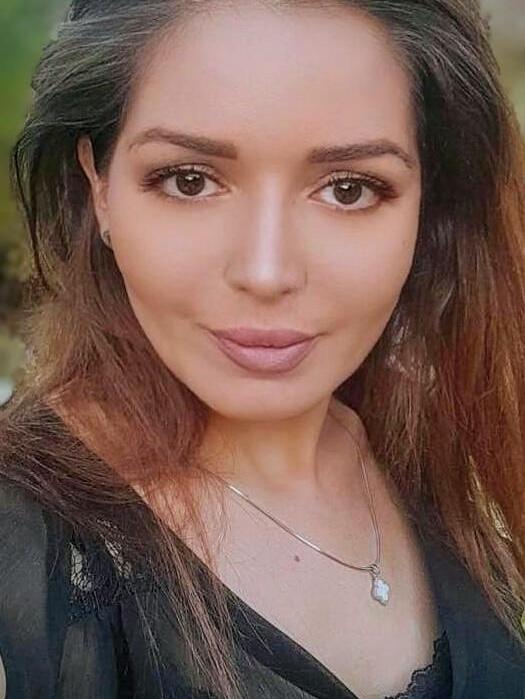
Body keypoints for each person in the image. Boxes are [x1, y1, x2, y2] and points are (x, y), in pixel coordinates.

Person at [1, 0, 524, 697]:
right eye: (189, 180)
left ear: (429, 204)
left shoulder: (446, 457)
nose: (267, 271)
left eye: (348, 190)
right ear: (99, 188)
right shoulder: (21, 542)